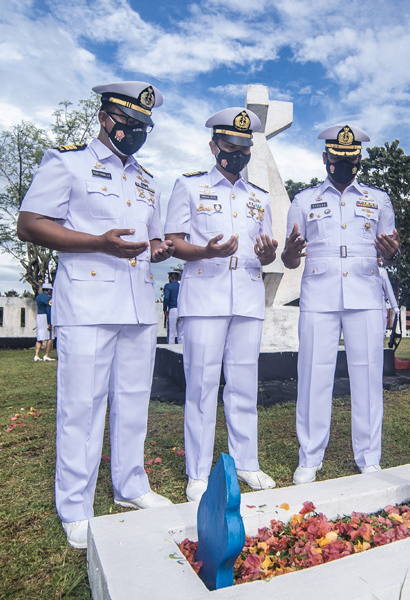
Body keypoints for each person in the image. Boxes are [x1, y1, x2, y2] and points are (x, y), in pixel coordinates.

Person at [17, 81, 175, 550]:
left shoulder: (147, 179)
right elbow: (29, 224)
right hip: (86, 303)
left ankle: (131, 486)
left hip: (137, 303)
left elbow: (152, 240)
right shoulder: (66, 161)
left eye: (143, 127)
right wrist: (98, 242)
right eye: (128, 124)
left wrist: (158, 248)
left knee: (133, 401)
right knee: (82, 407)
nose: (135, 133)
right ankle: (75, 505)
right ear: (105, 118)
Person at [164, 108, 278, 501]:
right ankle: (198, 471)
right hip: (204, 296)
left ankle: (247, 462)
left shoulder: (258, 197)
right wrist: (205, 251)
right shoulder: (189, 185)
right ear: (214, 146)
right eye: (230, 147)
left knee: (244, 385)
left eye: (244, 148)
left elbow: (265, 248)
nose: (238, 154)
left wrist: (267, 254)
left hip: (247, 296)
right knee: (202, 385)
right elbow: (172, 241)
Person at [281, 124, 399, 484]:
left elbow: (389, 252)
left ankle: (369, 456)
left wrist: (392, 254)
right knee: (314, 374)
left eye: (350, 158)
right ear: (325, 158)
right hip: (319, 294)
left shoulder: (379, 200)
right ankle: (310, 456)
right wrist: (287, 254)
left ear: (358, 159)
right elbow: (289, 259)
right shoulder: (303, 201)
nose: (343, 164)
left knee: (367, 375)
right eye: (337, 158)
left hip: (365, 292)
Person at [34, 282, 55, 361]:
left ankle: (36, 355)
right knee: (50, 337)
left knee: (39, 338)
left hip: (39, 316)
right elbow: (48, 310)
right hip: (45, 317)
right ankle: (46, 355)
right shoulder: (48, 298)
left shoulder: (38, 297)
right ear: (49, 290)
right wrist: (49, 322)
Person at [378, 259, 399, 339]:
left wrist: (394, 306)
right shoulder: (381, 272)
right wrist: (395, 306)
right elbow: (388, 289)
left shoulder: (381, 271)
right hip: (378, 304)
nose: (380, 259)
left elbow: (388, 289)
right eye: (378, 257)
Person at [163, 271, 181, 344]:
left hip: (173, 309)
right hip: (182, 309)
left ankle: (171, 348)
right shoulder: (181, 286)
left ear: (170, 278)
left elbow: (166, 298)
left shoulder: (168, 286)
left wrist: (165, 309)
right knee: (181, 334)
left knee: (172, 332)